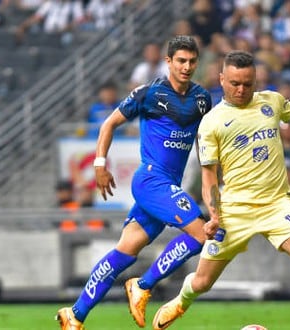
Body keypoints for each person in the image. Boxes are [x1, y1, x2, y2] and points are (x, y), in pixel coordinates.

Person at [151, 50, 290, 330]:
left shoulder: (271, 101)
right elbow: (209, 178)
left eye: (248, 83)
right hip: (235, 210)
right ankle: (181, 301)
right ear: (221, 79)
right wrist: (215, 215)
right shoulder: (211, 123)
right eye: (234, 83)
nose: (242, 89)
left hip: (278, 204)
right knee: (203, 282)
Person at [55, 35, 212, 330]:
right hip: (151, 180)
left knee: (124, 252)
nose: (187, 66)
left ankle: (74, 315)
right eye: (181, 60)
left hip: (168, 186)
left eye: (192, 61)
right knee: (201, 234)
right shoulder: (148, 94)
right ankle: (143, 284)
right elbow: (109, 123)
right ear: (168, 62)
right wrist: (100, 164)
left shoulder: (203, 99)